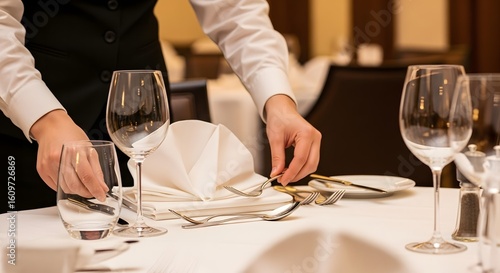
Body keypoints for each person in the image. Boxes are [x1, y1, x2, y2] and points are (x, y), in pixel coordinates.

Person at [0, 0, 321, 212]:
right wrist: (45, 119)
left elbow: (236, 11)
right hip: (29, 132)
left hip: (142, 120)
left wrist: (278, 101)